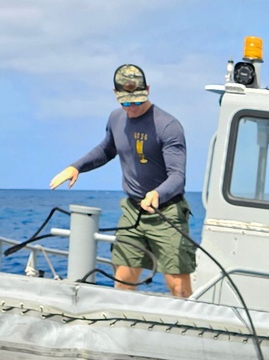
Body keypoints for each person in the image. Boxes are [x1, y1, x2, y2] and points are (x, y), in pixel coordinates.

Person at [49, 64, 196, 298]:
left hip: (166, 212)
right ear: (115, 95)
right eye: (126, 103)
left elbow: (177, 176)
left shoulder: (168, 126)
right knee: (123, 278)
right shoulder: (116, 118)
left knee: (178, 286)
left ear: (147, 90)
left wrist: (157, 194)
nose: (132, 108)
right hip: (133, 210)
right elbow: (106, 149)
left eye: (137, 101)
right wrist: (75, 167)